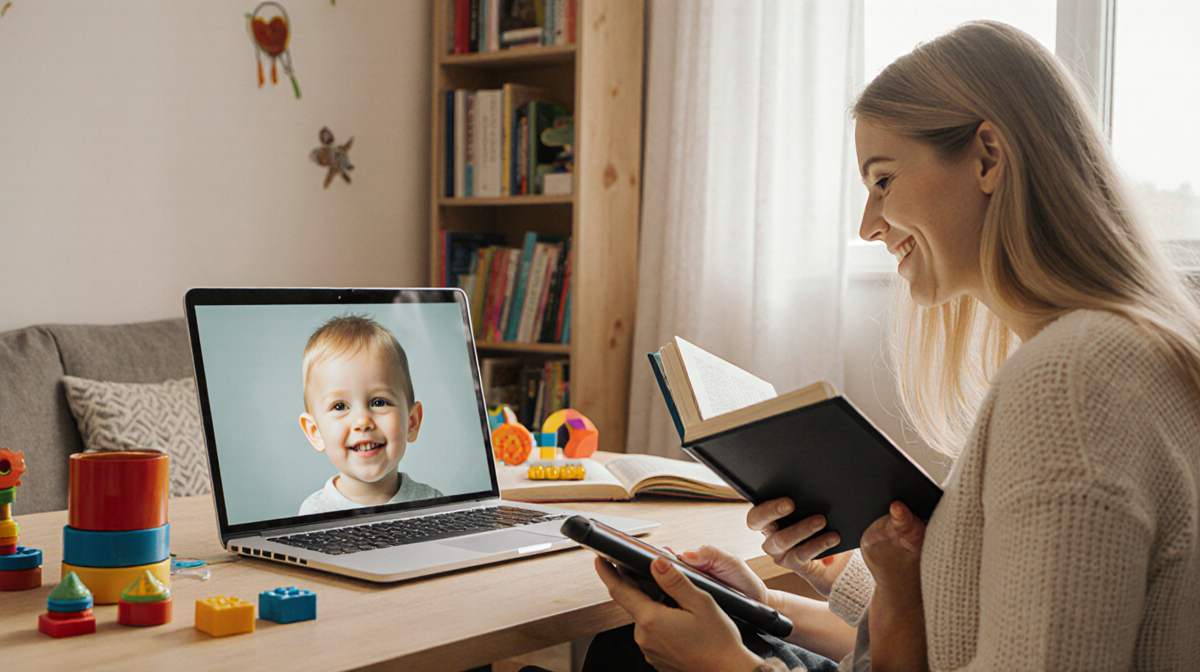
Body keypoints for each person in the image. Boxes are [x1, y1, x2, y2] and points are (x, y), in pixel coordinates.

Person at [585, 21, 1200, 672]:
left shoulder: (1072, 381)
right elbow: (976, 623)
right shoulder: (1118, 354)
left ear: (988, 158)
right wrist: (785, 596)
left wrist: (730, 667)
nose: (868, 225)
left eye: (882, 181)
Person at [298, 314, 443, 515]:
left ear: (412, 422)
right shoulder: (315, 513)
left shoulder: (433, 504)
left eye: (379, 402)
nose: (362, 422)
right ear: (315, 432)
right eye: (340, 406)